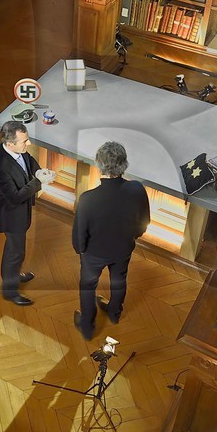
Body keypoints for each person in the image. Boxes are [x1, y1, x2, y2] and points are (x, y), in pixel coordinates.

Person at [71, 140, 151, 339]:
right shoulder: (137, 189)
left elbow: (79, 236)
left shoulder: (88, 199)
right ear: (124, 164)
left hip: (93, 254)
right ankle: (115, 314)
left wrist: (81, 250)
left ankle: (88, 327)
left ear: (99, 165)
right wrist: (132, 237)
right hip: (123, 249)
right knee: (119, 281)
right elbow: (144, 222)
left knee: (88, 286)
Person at [0, 121, 48, 305]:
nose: (28, 144)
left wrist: (39, 171)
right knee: (15, 253)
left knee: (16, 251)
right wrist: (38, 181)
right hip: (11, 216)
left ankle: (13, 276)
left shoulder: (14, 149)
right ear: (9, 144)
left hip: (20, 213)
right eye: (24, 141)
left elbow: (28, 160)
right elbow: (14, 198)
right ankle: (10, 291)